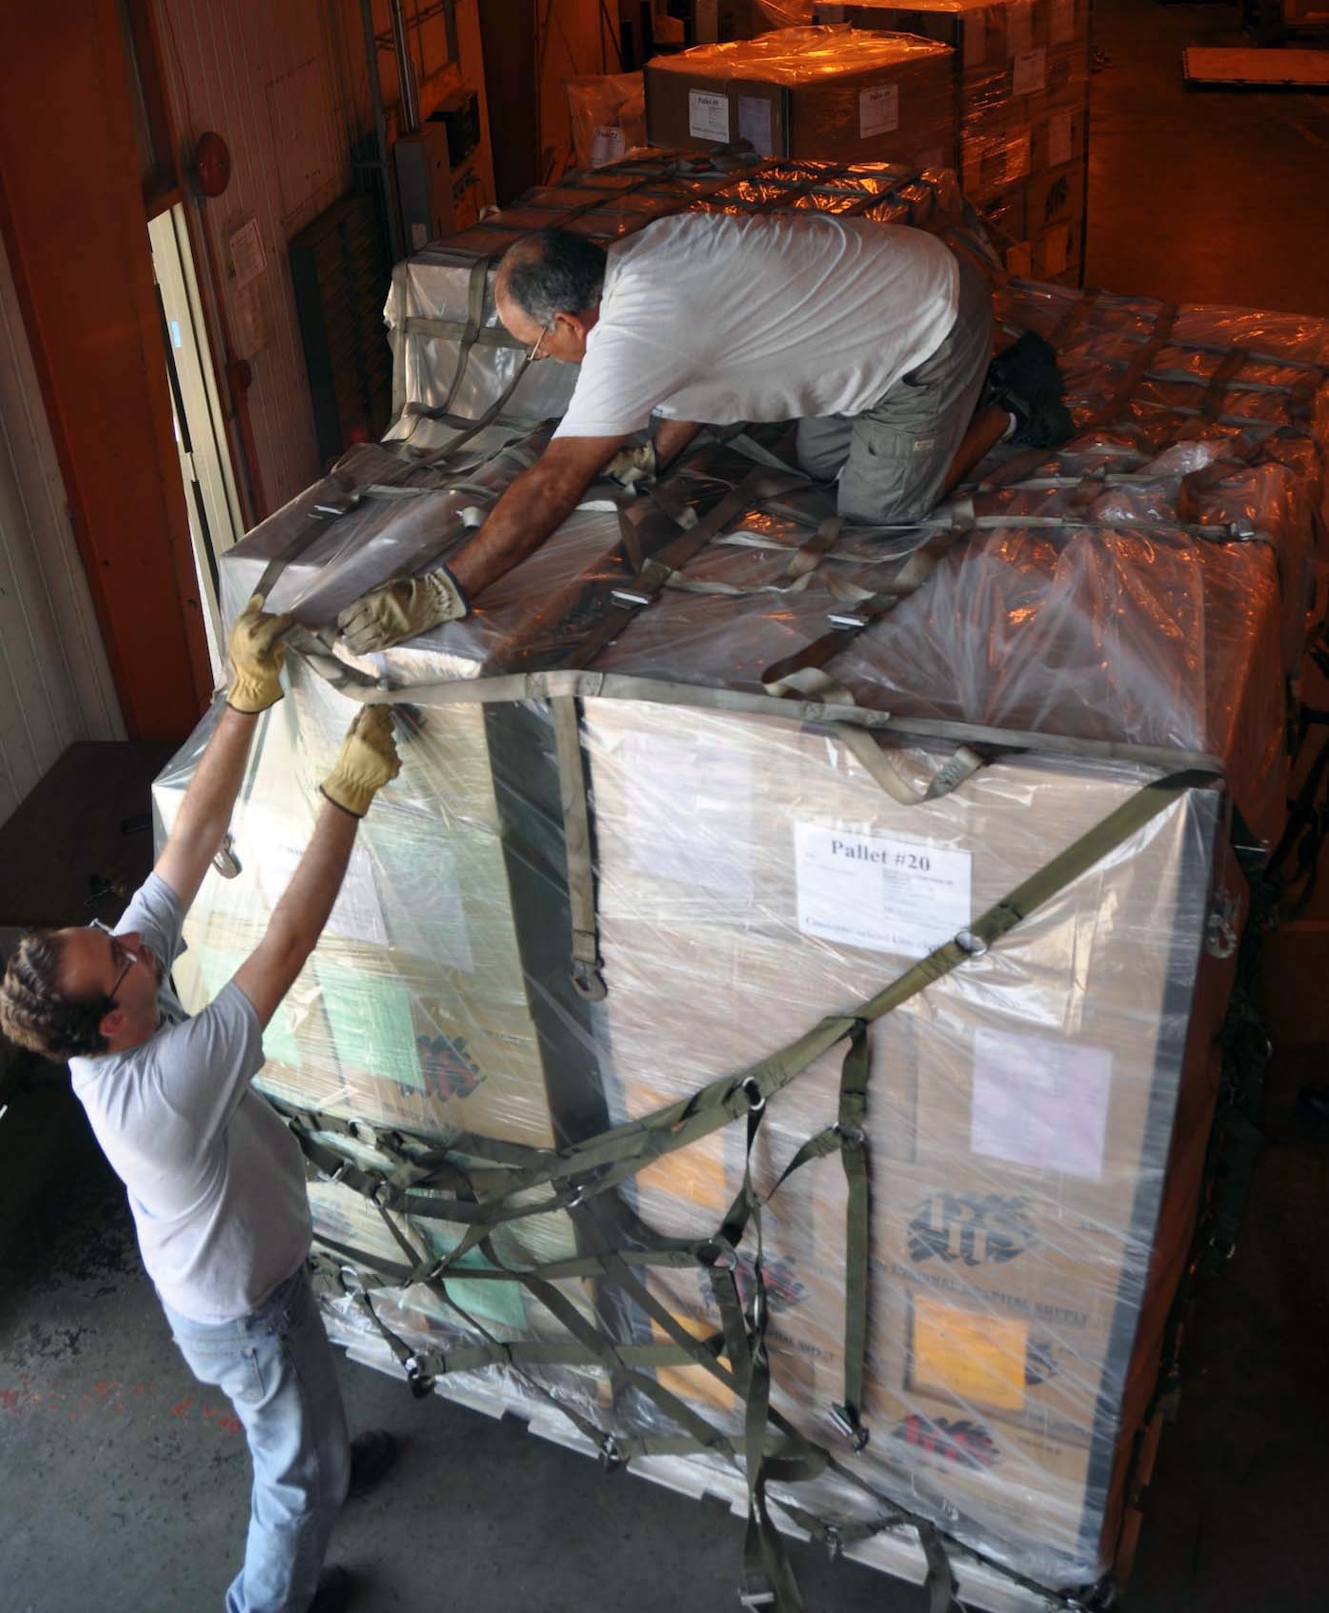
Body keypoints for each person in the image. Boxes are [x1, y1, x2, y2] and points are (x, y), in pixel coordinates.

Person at [0, 598, 404, 1613]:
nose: (136, 939)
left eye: (115, 934)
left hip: (244, 1281)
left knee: (300, 1413)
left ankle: (329, 1459)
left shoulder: (113, 1002)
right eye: (122, 954)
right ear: (113, 1023)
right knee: (291, 1472)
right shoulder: (162, 1090)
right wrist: (346, 798)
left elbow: (189, 841)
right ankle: (265, 1599)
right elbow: (286, 943)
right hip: (241, 1306)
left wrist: (245, 697)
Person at [335, 209, 1071, 654]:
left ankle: (1009, 403)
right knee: (818, 462)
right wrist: (654, 452)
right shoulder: (646, 254)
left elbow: (555, 480)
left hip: (930, 322)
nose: (544, 357)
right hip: (885, 294)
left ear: (567, 321)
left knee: (877, 512)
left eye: (536, 345)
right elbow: (703, 365)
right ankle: (942, 409)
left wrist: (444, 590)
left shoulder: (636, 327)